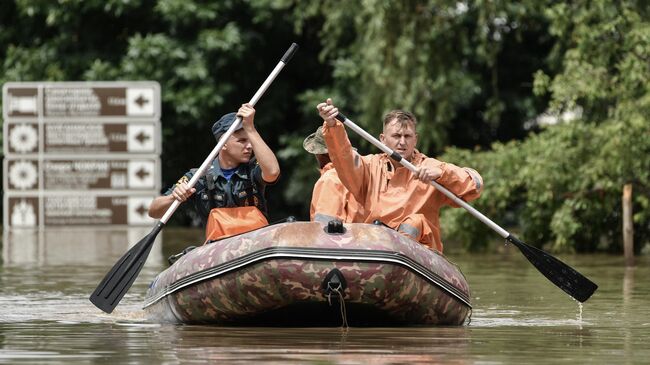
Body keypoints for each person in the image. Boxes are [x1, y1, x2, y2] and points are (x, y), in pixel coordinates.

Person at [316, 98, 483, 252]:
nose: (402, 142)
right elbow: (345, 157)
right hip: (375, 244)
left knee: (415, 221)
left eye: (407, 136)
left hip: (419, 252)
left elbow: (475, 184)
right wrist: (332, 125)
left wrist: (443, 174)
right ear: (383, 139)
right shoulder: (370, 166)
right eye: (396, 136)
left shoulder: (430, 167)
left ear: (415, 140)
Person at [149, 103, 280, 241]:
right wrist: (174, 197)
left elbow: (272, 172)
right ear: (223, 144)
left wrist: (251, 129)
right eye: (242, 141)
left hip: (256, 245)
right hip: (218, 249)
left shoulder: (254, 169)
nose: (249, 146)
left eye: (250, 140)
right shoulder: (199, 177)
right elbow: (154, 211)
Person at [303, 126, 364, 223]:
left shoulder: (330, 179)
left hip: (342, 237)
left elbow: (325, 226)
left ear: (319, 154)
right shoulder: (362, 174)